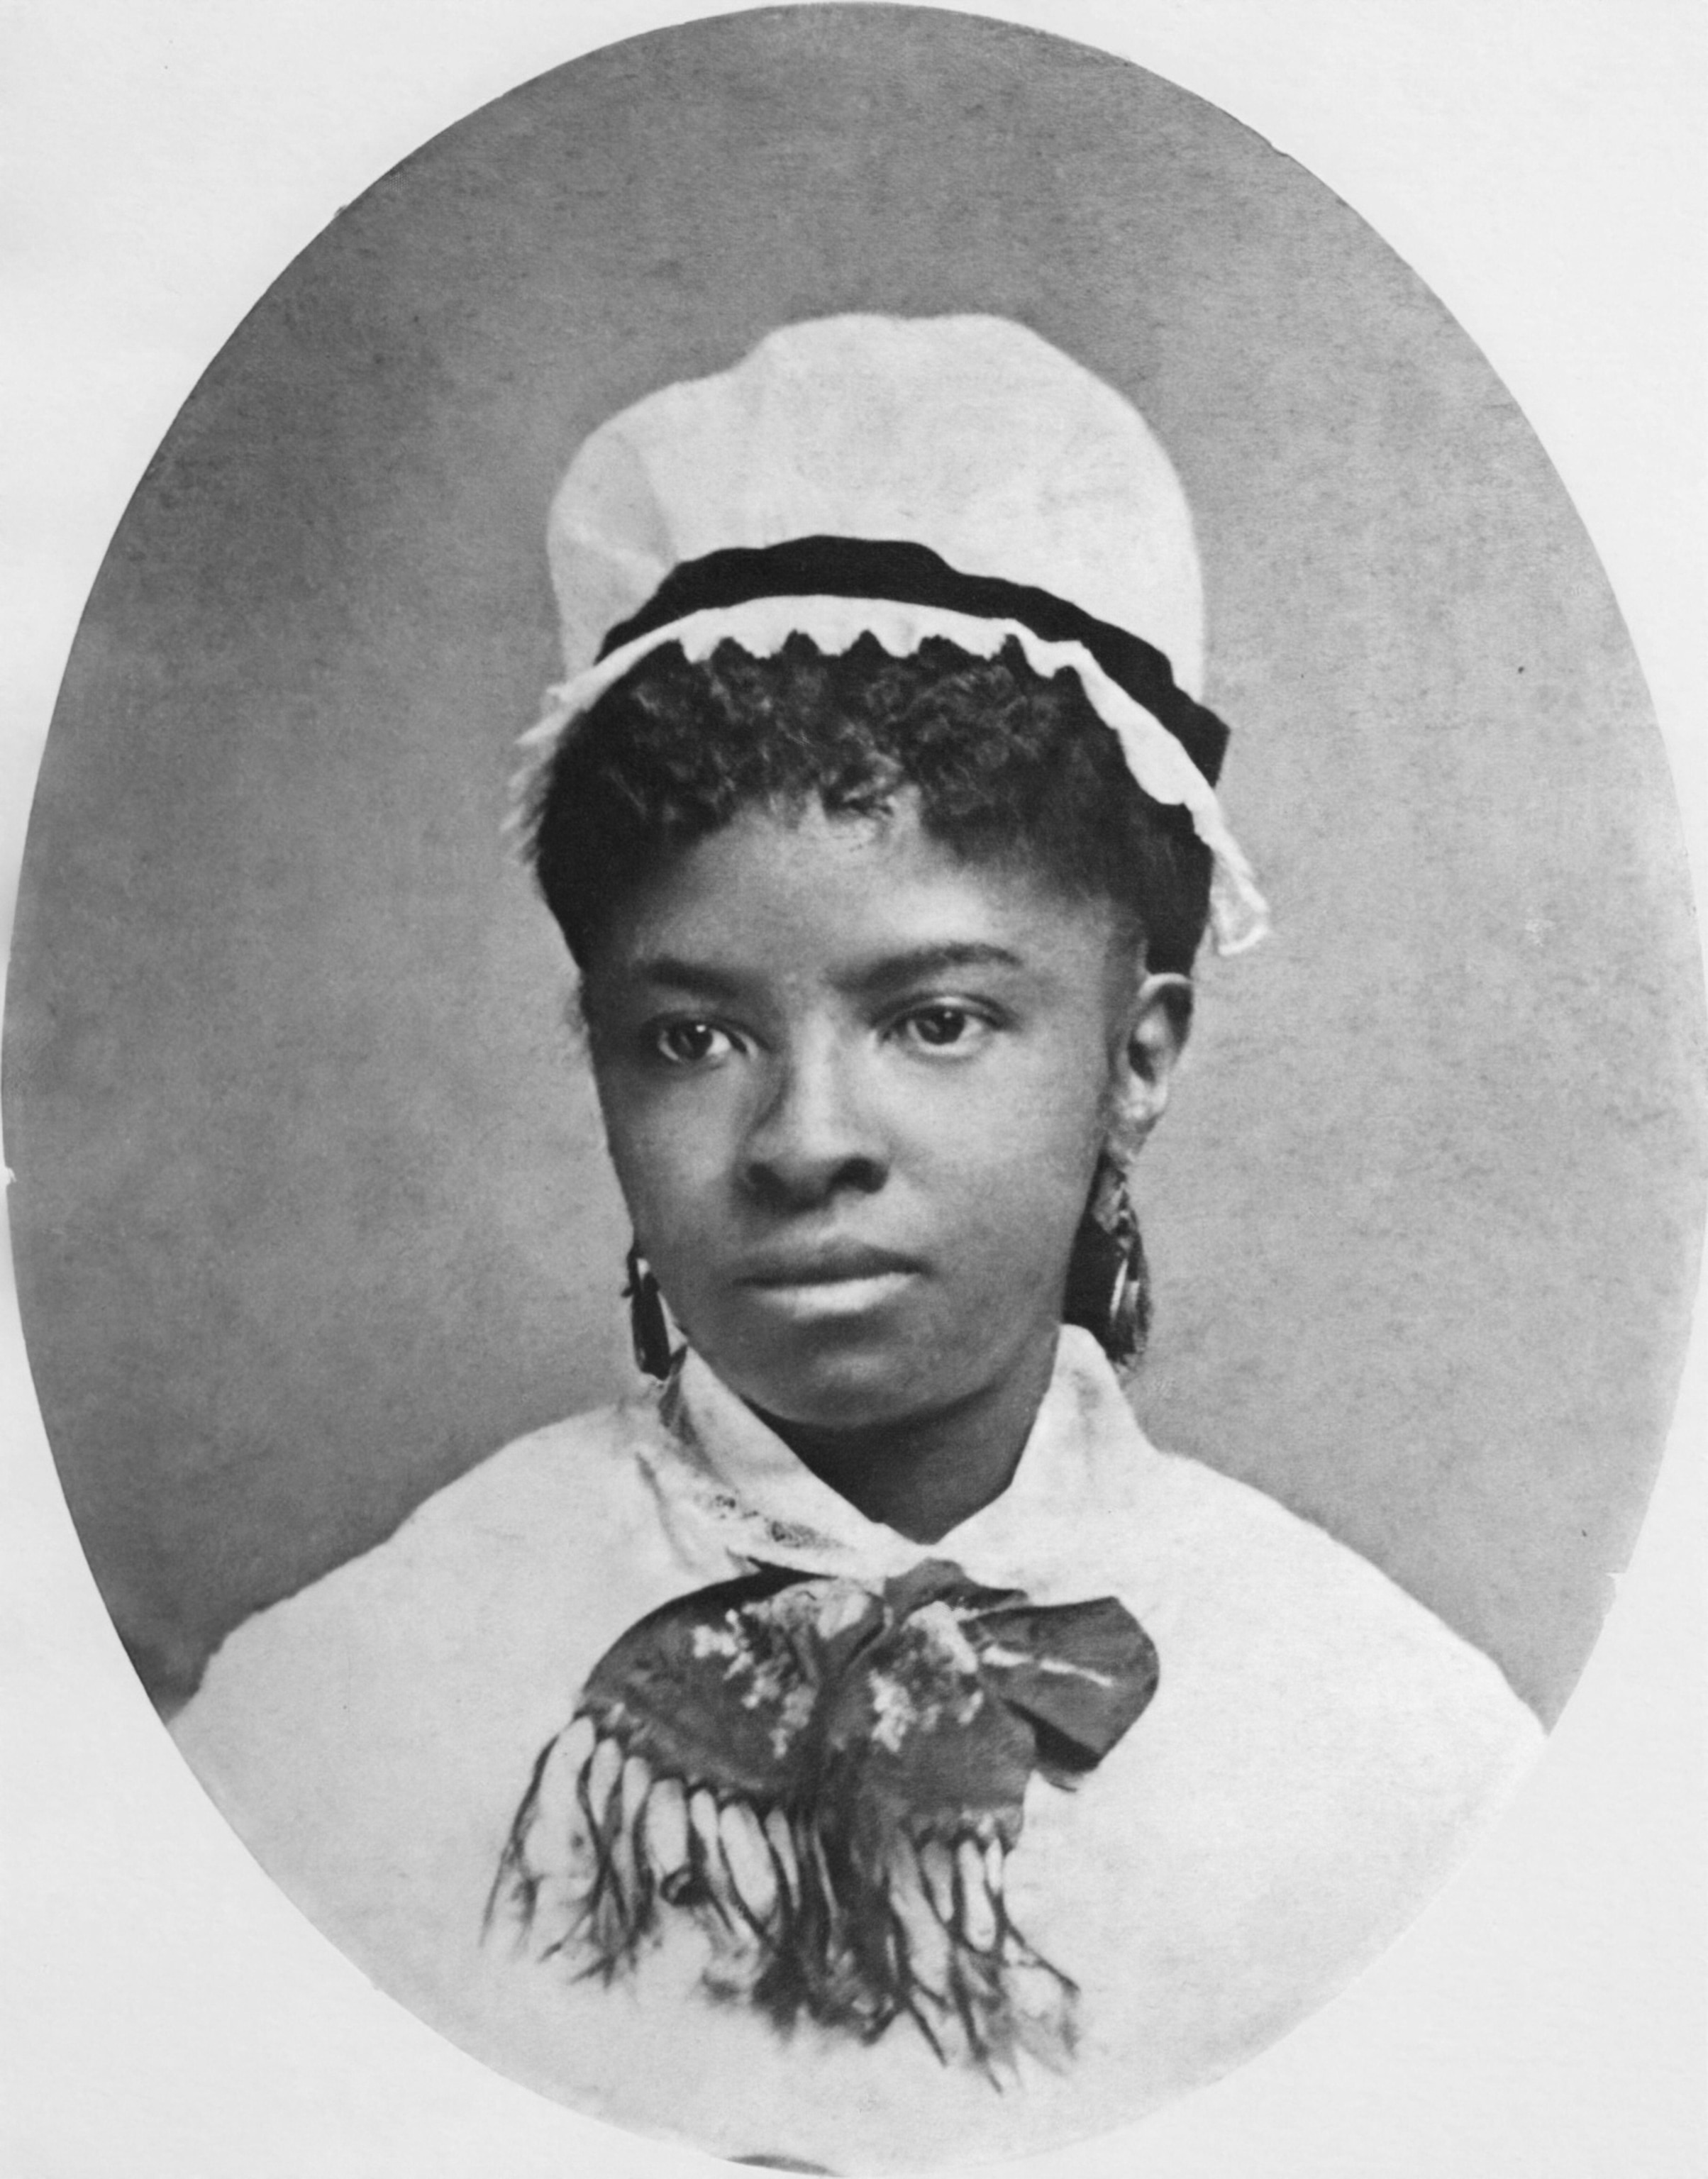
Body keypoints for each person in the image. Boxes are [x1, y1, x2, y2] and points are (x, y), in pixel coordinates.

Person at [172, 315, 1542, 2173]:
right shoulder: (344, 1716)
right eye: (694, 1036)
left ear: (1139, 1055)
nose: (807, 1140)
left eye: (937, 1019)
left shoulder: (1390, 1759)